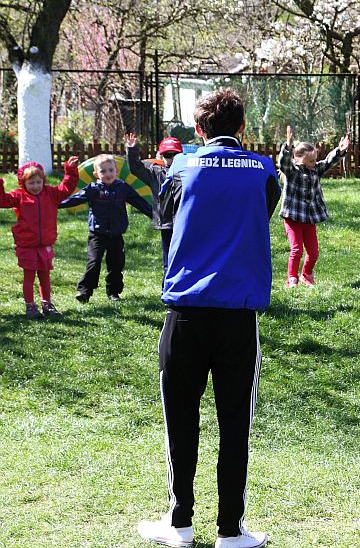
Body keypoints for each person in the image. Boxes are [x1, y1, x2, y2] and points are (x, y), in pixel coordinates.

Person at [136, 88, 280, 548]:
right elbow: (265, 209)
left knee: (180, 419)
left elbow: (165, 217)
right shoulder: (264, 170)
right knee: (235, 422)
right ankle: (231, 529)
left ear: (199, 130)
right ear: (242, 128)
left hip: (186, 312)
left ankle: (180, 524)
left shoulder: (181, 167)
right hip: (239, 314)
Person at [59, 154, 153, 302]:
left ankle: (113, 292)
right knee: (93, 262)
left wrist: (156, 216)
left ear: (116, 171)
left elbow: (139, 203)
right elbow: (74, 199)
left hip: (116, 234)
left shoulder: (123, 188)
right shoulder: (93, 189)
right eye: (103, 171)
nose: (107, 174)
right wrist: (55, 204)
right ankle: (84, 291)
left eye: (111, 170)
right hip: (97, 234)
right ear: (96, 174)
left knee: (116, 265)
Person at [0, 157, 79, 317]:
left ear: (43, 180)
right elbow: (2, 200)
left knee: (45, 276)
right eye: (31, 183)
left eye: (38, 182)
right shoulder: (19, 196)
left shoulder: (51, 194)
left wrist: (70, 171)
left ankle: (47, 304)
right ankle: (30, 306)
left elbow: (66, 188)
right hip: (27, 245)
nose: (35, 186)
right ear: (23, 183)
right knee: (29, 276)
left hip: (45, 244)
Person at [278, 124, 349, 287]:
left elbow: (329, 162)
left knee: (314, 253)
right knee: (296, 250)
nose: (314, 163)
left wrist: (340, 150)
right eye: (310, 160)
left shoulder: (315, 170)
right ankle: (292, 278)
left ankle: (306, 274)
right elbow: (284, 163)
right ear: (299, 159)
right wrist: (288, 146)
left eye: (314, 159)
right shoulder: (292, 171)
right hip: (293, 218)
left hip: (309, 220)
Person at [125, 133, 183, 271]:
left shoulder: (187, 172)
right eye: (168, 155)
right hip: (167, 223)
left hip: (185, 221)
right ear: (161, 156)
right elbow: (136, 168)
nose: (172, 159)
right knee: (168, 259)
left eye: (175, 154)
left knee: (185, 257)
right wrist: (132, 149)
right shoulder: (155, 173)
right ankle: (167, 288)